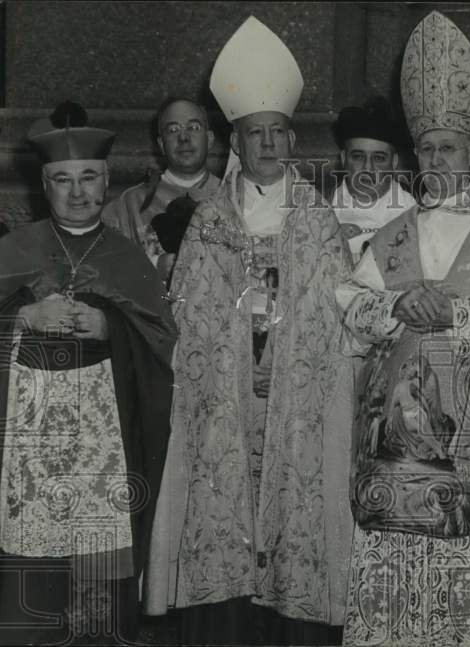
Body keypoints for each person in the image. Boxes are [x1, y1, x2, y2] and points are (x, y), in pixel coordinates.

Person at [336, 11, 470, 646]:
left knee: (460, 584)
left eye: (448, 147)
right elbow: (349, 311)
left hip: (469, 445)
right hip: (394, 451)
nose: (435, 159)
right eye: (426, 148)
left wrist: (458, 314)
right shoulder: (390, 239)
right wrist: (394, 310)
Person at [145, 16, 356, 645]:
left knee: (298, 528)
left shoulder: (320, 220)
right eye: (254, 134)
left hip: (296, 408)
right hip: (227, 407)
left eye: (277, 133)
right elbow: (190, 313)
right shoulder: (209, 219)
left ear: (292, 140)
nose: (267, 144)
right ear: (235, 142)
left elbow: (334, 314)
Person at [0, 101, 176, 645]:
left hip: (105, 448)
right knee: (31, 589)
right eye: (62, 180)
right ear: (44, 186)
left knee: (98, 594)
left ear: (105, 183)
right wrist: (22, 317)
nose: (77, 193)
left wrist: (110, 327)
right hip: (27, 449)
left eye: (88, 179)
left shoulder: (128, 258)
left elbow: (163, 345)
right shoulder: (14, 249)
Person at [101, 97, 221, 282]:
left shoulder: (232, 197)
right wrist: (152, 266)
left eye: (194, 127)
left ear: (210, 138)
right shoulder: (130, 204)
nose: (184, 138)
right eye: (173, 130)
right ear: (161, 144)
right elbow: (103, 267)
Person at [331, 96, 417, 263]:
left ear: (394, 162)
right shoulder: (324, 207)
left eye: (378, 158)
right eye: (358, 156)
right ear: (343, 159)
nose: (368, 168)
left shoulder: (411, 212)